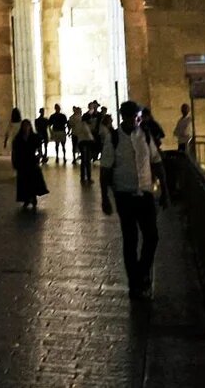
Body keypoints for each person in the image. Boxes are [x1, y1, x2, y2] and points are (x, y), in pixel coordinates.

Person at [98, 101, 164, 296]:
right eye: (130, 116)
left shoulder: (144, 135)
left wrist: (165, 190)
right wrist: (105, 198)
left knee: (152, 236)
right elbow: (105, 169)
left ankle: (141, 272)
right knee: (131, 239)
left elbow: (156, 161)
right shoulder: (114, 138)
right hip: (124, 195)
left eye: (136, 116)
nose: (134, 120)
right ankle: (135, 283)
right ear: (123, 117)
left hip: (145, 193)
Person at [11, 109, 50, 210]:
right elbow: (15, 150)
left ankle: (32, 197)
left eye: (27, 126)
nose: (26, 128)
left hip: (31, 160)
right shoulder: (18, 138)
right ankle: (25, 198)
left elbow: (39, 148)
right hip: (22, 161)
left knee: (32, 180)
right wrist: (15, 161)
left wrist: (40, 156)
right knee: (23, 181)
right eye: (24, 126)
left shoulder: (34, 137)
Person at [67, 103, 96, 184]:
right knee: (87, 161)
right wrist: (93, 140)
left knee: (84, 161)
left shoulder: (80, 123)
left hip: (81, 142)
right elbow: (88, 135)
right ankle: (88, 177)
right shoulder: (85, 125)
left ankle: (83, 177)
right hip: (86, 143)